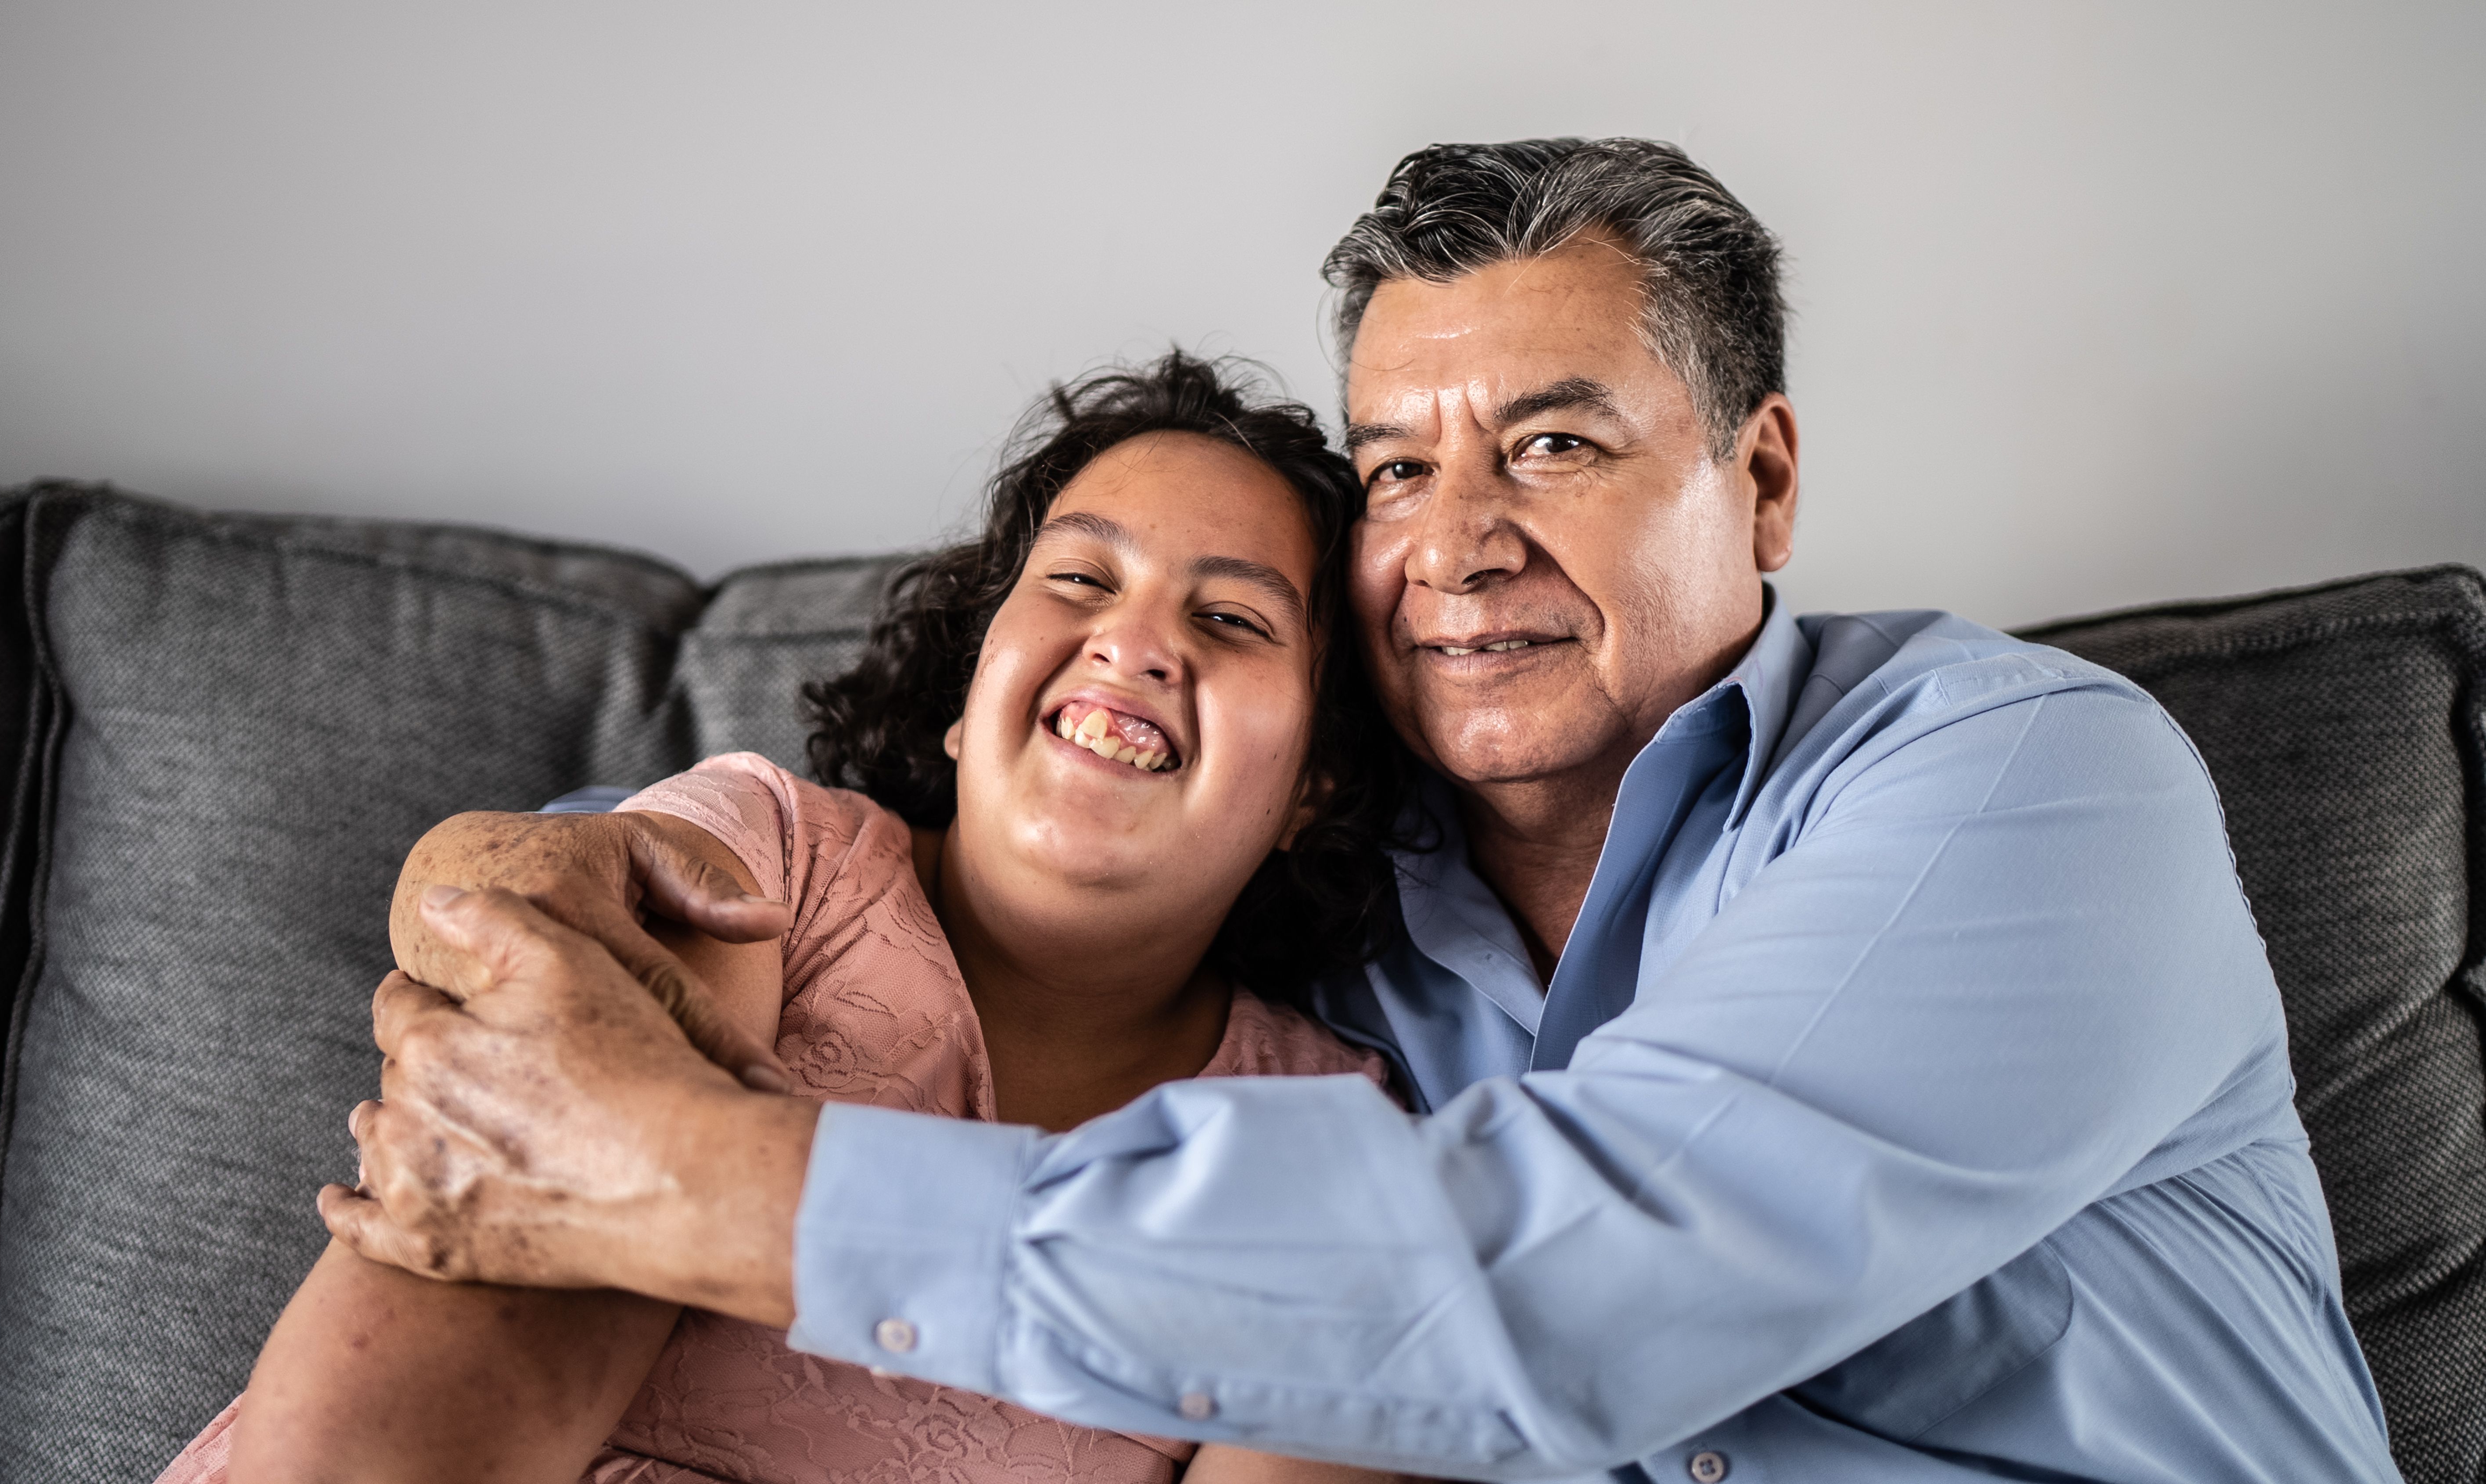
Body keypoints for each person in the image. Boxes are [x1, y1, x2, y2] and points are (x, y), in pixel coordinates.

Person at [322, 140, 2400, 1482]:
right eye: (1398, 468)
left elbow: (1562, 1277)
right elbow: (837, 875)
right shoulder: (1334, 883)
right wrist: (528, 906)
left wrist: (690, 1171)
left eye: (1556, 442)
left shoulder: (2021, 779)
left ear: (1759, 480)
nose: (1454, 543)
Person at [159, 355, 1424, 1484]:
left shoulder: (1337, 1152)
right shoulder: (774, 864)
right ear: (970, 682)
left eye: (1230, 618)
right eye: (1081, 577)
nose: (1131, 643)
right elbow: (382, 1450)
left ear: (1317, 781)